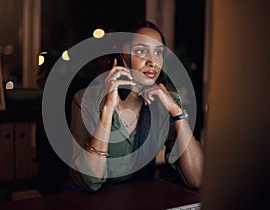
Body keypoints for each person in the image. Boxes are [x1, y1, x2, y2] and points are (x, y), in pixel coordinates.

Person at [67, 20, 204, 192]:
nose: (152, 61)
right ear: (121, 56)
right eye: (141, 51)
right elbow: (89, 181)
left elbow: (198, 178)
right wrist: (108, 109)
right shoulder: (86, 99)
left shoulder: (166, 103)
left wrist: (177, 112)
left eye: (158, 52)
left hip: (140, 200)